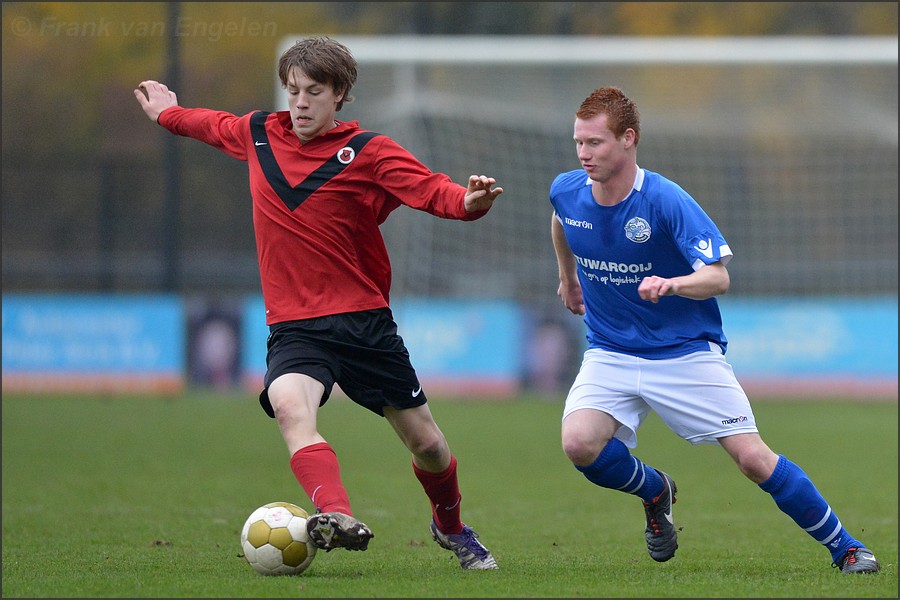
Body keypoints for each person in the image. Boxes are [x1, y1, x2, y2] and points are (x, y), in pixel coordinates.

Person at [134, 36, 501, 571]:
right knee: (289, 408)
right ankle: (335, 514)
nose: (300, 102)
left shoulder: (371, 151)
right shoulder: (260, 133)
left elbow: (432, 191)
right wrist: (169, 115)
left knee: (427, 445)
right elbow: (211, 126)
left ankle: (451, 526)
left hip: (364, 324)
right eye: (293, 90)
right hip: (296, 327)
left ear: (340, 94)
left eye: (313, 92)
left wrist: (470, 202)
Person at [548, 86, 880, 574]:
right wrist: (567, 276)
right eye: (578, 142)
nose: (583, 153)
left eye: (595, 143)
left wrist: (674, 283)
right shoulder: (567, 188)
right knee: (578, 443)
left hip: (684, 354)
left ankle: (846, 547)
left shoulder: (665, 200)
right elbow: (561, 221)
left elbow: (719, 276)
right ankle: (654, 490)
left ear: (628, 139)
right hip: (611, 352)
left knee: (752, 459)